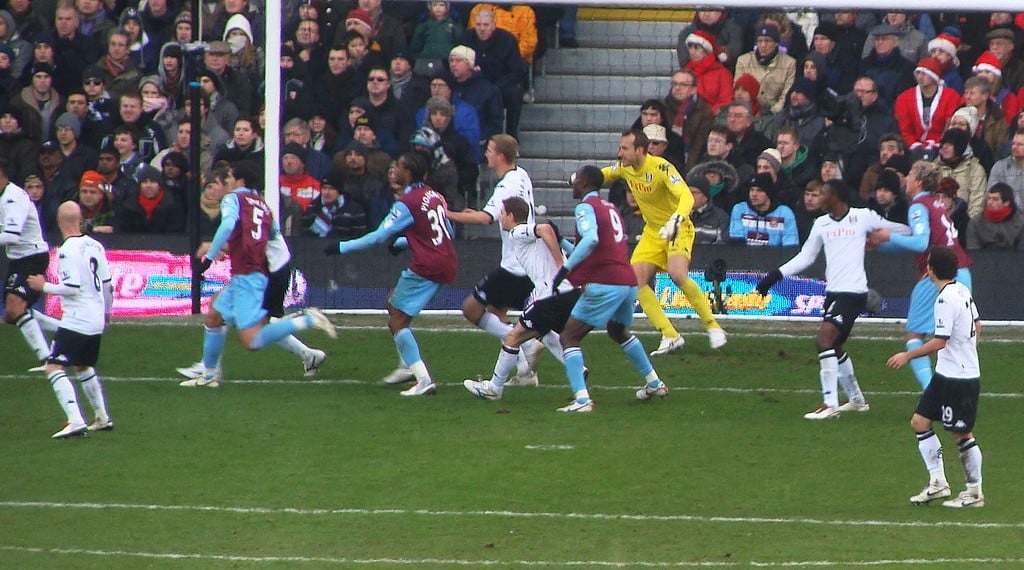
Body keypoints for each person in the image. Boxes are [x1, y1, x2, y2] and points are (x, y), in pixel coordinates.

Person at [756, 180, 910, 419]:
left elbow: (903, 230)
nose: (818, 198)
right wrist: (773, 277)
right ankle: (857, 400)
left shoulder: (862, 217)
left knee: (823, 340)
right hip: (834, 293)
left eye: (823, 194)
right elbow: (805, 257)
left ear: (836, 197)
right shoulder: (821, 224)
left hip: (854, 293)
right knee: (834, 346)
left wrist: (882, 238)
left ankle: (830, 405)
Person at [179, 160, 336, 388]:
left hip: (255, 273)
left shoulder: (233, 199)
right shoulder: (263, 206)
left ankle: (308, 320)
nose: (227, 180)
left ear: (238, 179)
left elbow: (228, 226)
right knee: (214, 313)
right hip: (260, 269)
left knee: (252, 338)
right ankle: (209, 374)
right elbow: (266, 236)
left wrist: (210, 256)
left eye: (230, 176)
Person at [323, 151, 455, 397]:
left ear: (410, 172)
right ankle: (407, 365)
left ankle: (424, 379)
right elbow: (447, 231)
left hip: (428, 264)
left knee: (397, 321)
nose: (394, 170)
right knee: (394, 305)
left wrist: (342, 247)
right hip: (445, 260)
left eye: (399, 166)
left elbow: (379, 236)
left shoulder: (407, 202)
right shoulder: (434, 196)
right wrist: (404, 243)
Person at [550, 165, 669, 413]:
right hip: (627, 283)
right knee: (617, 330)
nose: (572, 184)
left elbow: (591, 240)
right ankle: (654, 383)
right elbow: (597, 248)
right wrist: (560, 240)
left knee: (568, 337)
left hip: (605, 283)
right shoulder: (611, 208)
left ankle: (582, 400)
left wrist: (565, 269)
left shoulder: (585, 208)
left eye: (575, 180)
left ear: (583, 182)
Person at [602, 128, 727, 355]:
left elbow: (686, 196)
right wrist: (580, 177)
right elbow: (603, 175)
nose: (620, 153)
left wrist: (676, 220)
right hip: (653, 232)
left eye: (624, 149)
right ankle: (670, 335)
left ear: (640, 150)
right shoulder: (625, 169)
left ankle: (712, 325)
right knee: (636, 282)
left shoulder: (661, 168)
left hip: (677, 228)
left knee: (677, 274)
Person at [886, 246, 985, 508]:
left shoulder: (944, 299)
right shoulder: (961, 290)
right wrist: (968, 347)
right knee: (920, 421)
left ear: (931, 269)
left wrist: (908, 355)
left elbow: (941, 341)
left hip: (959, 378)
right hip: (945, 374)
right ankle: (938, 482)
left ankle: (974, 492)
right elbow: (977, 324)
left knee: (962, 434)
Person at [445, 134, 546, 386]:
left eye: (489, 150)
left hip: (515, 265)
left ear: (500, 156)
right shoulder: (521, 174)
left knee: (473, 310)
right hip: (526, 261)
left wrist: (448, 213)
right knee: (496, 314)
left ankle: (529, 345)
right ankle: (524, 371)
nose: (486, 154)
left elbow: (486, 219)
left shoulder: (508, 185)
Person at [867, 160, 973, 390]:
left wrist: (887, 236)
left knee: (915, 333)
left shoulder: (918, 205)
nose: (906, 177)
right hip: (963, 272)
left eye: (910, 173)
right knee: (955, 337)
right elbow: (923, 243)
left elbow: (920, 242)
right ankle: (958, 387)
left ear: (919, 181)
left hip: (937, 276)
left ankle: (930, 391)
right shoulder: (935, 203)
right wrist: (881, 246)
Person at [463, 196, 573, 401]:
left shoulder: (519, 231)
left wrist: (560, 266)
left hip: (551, 295)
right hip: (564, 293)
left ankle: (494, 388)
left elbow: (546, 229)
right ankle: (576, 368)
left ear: (511, 216)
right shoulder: (527, 237)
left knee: (513, 337)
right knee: (544, 333)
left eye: (502, 214)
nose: (500, 219)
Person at [26, 201, 113, 438]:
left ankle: (75, 420)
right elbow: (107, 285)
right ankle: (102, 417)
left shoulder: (67, 250)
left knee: (53, 366)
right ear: (80, 218)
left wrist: (42, 285)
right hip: (95, 317)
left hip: (78, 318)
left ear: (58, 221)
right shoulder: (95, 245)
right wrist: (107, 312)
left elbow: (72, 287)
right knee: (83, 365)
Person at [0, 158, 53, 365]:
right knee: (11, 315)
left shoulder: (14, 197)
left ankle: (47, 359)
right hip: (18, 259)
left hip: (32, 257)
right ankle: (67, 329)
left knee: (15, 309)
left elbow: (12, 236)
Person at [729, 173, 799, 246]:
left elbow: (790, 247)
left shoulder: (785, 213)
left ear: (768, 193)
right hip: (745, 256)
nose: (754, 194)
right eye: (752, 190)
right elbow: (737, 245)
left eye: (759, 190)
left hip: (776, 257)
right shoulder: (740, 210)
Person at [965, 183, 1024, 250]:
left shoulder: (1021, 221)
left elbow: (1021, 254)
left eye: (995, 199)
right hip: (983, 259)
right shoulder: (975, 223)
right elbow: (973, 252)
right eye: (989, 198)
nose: (990, 202)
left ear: (1006, 203)